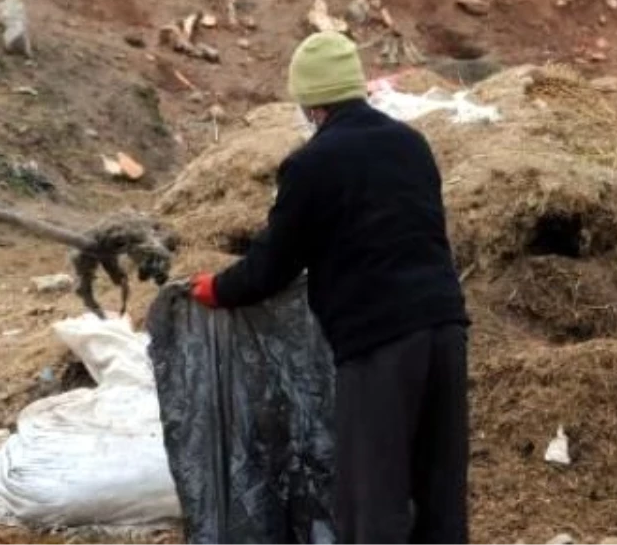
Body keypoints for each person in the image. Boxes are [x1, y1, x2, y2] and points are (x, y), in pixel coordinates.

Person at [187, 31, 470, 545]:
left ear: (311, 102)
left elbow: (272, 264)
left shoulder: (311, 164)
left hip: (380, 340)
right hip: (446, 326)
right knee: (440, 491)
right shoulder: (411, 144)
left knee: (374, 497)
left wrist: (218, 289)